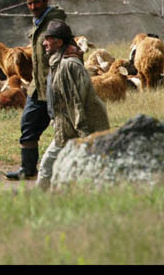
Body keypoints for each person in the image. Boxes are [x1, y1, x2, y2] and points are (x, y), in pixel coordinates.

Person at [34, 19, 109, 190]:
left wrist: (84, 136)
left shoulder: (67, 65)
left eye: (48, 39)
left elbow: (75, 104)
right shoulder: (59, 62)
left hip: (77, 128)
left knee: (48, 166)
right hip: (70, 127)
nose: (44, 43)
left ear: (59, 42)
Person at [5, 0, 68, 180]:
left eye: (36, 2)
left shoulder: (55, 23)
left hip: (55, 85)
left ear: (45, 1)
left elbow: (68, 47)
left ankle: (69, 167)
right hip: (37, 86)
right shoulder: (38, 23)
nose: (33, 7)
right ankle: (28, 169)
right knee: (28, 124)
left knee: (64, 128)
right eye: (30, 3)